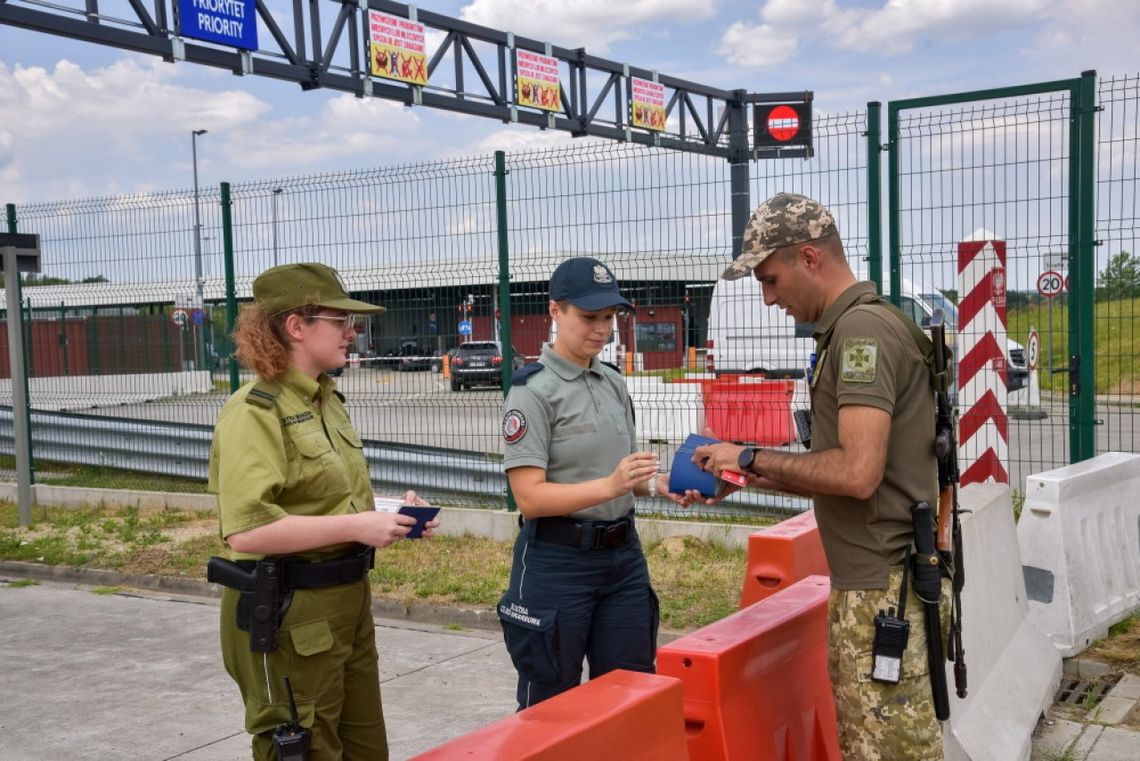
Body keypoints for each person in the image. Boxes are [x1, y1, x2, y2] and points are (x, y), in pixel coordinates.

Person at [692, 193, 947, 760]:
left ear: (809, 258)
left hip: (882, 594)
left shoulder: (860, 334)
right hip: (885, 584)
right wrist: (743, 471)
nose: (768, 297)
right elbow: (842, 474)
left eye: (771, 278)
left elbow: (856, 474)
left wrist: (753, 457)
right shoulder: (861, 325)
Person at [207, 262, 439, 761]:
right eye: (340, 320)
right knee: (305, 748)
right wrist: (360, 525)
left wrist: (391, 512)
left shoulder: (326, 399)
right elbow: (246, 531)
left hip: (345, 604)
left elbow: (321, 498)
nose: (353, 331)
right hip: (293, 613)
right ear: (296, 325)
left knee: (362, 747)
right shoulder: (254, 411)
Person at [497, 256, 690, 710]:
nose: (601, 329)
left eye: (609, 317)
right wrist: (611, 485)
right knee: (551, 705)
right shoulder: (532, 390)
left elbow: (621, 479)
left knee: (629, 698)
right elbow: (529, 497)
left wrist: (658, 484)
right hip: (558, 564)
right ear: (555, 312)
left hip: (622, 560)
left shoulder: (612, 383)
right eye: (588, 317)